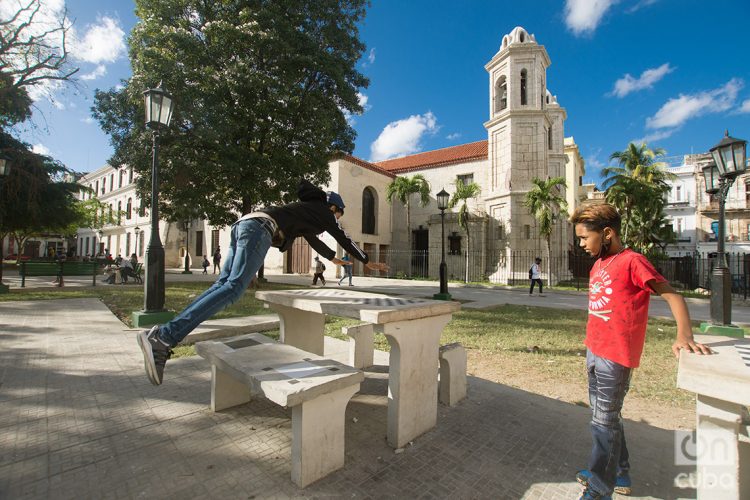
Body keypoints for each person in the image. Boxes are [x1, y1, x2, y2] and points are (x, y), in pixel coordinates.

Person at [137, 179, 389, 386]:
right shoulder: (325, 211)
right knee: (234, 288)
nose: (335, 219)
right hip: (260, 228)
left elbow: (315, 241)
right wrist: (365, 260)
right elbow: (343, 236)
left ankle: (164, 334)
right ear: (333, 207)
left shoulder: (304, 212)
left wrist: (333, 259)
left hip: (244, 224)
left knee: (223, 285)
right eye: (338, 214)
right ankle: (164, 337)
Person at [570, 204, 711, 500]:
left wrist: (684, 334)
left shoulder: (633, 261)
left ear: (607, 233)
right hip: (594, 351)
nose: (581, 244)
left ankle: (598, 488)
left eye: (585, 237)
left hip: (615, 357)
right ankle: (618, 472)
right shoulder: (598, 264)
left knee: (602, 423)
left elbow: (672, 294)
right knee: (606, 417)